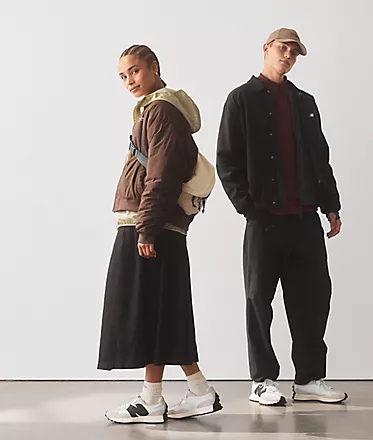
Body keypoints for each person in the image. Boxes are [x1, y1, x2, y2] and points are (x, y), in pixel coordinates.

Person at [217, 28, 348, 405]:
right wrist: (248, 208)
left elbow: (319, 157)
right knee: (259, 301)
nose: (287, 55)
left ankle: (308, 379)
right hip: (264, 219)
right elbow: (227, 159)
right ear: (266, 48)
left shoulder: (304, 102)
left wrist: (331, 204)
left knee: (313, 300)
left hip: (305, 218)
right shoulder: (241, 99)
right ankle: (262, 380)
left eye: (294, 51)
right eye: (282, 47)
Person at [98, 44, 222, 424]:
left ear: (154, 67)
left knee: (151, 311)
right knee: (163, 312)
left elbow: (161, 174)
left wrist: (146, 229)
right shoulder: (157, 110)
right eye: (123, 76)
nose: (129, 81)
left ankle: (153, 400)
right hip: (154, 223)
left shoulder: (161, 110)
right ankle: (196, 391)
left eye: (134, 71)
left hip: (148, 223)